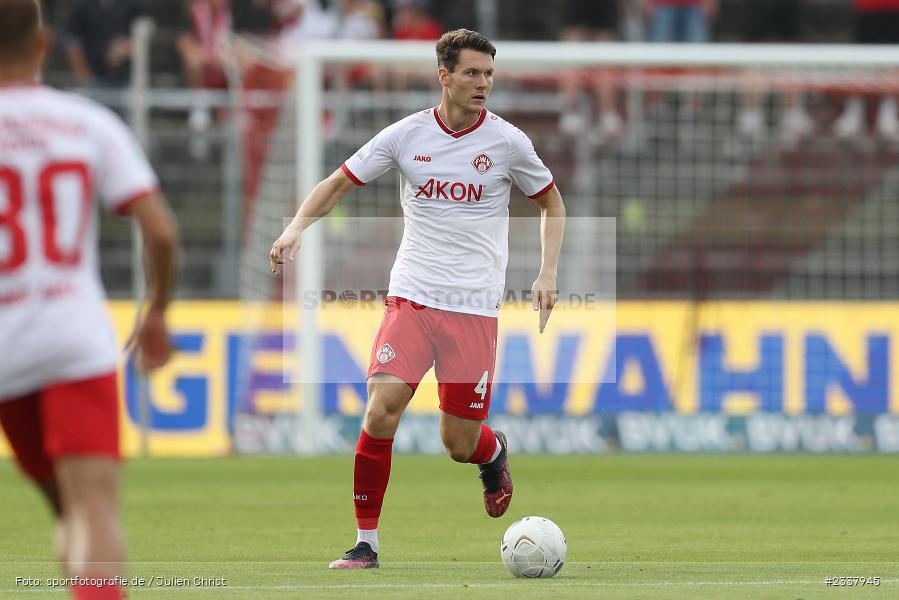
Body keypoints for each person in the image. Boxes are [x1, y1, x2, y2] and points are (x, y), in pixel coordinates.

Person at [270, 28, 566, 569]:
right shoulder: (406, 136)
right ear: (444, 75)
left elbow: (552, 204)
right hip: (411, 297)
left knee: (458, 441)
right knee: (381, 410)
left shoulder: (507, 142)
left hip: (474, 308)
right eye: (473, 73)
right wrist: (295, 229)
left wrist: (547, 273)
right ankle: (366, 544)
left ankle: (492, 453)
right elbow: (338, 183)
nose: (483, 84)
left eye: (489, 74)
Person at [0, 2, 178, 599]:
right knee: (92, 510)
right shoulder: (84, 122)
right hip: (72, 338)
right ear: (44, 44)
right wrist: (156, 310)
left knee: (64, 509)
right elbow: (159, 230)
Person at [833, 0, 899, 139]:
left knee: (894, 59)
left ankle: (888, 111)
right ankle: (854, 109)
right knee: (860, 60)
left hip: (894, 7)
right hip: (867, 7)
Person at [63, 0, 147, 87]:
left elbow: (144, 34)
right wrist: (84, 76)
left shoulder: (132, 4)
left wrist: (127, 47)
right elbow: (72, 42)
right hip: (93, 78)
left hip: (126, 78)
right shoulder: (82, 5)